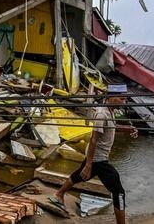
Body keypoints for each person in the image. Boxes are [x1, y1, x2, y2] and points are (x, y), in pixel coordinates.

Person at [51, 96, 138, 224]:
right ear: (112, 97)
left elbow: (112, 126)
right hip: (98, 158)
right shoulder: (102, 114)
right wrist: (89, 164)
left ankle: (59, 194)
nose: (124, 102)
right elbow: (93, 140)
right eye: (122, 99)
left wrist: (127, 128)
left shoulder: (110, 111)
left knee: (80, 176)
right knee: (118, 191)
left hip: (97, 157)